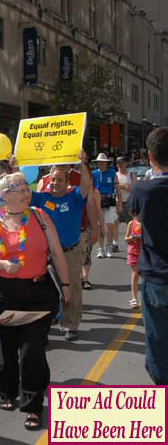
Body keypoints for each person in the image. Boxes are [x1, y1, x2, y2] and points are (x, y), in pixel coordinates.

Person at [0, 172, 70, 431]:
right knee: (6, 348)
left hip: (38, 293)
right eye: (18, 188)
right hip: (4, 295)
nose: (25, 192)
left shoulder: (40, 216)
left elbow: (57, 253)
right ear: (4, 195)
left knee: (32, 350)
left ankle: (33, 403)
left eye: (26, 188)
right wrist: (1, 264)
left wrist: (66, 286)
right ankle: (7, 391)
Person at [30, 150, 91, 341]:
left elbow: (87, 185)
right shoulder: (42, 198)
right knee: (46, 291)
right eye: (53, 180)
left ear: (67, 182)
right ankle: (46, 323)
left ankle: (70, 324)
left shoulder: (74, 197)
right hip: (46, 255)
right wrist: (14, 167)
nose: (55, 183)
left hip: (70, 252)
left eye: (60, 180)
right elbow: (22, 190)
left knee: (72, 288)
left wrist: (82, 163)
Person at [127, 127, 168, 385]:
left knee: (157, 338)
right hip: (155, 276)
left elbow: (134, 215)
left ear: (150, 156)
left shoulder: (143, 190)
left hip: (156, 277)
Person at [91, 153, 121, 258]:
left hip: (110, 199)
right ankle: (101, 249)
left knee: (109, 225)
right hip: (97, 201)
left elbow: (117, 189)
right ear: (97, 163)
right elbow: (90, 189)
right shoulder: (93, 174)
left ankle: (109, 248)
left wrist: (120, 203)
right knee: (99, 226)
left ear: (106, 163)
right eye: (99, 162)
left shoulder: (112, 173)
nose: (101, 164)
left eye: (103, 162)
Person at [124, 215, 141, 309]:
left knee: (146, 276)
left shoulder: (148, 223)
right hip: (133, 252)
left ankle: (148, 298)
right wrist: (132, 238)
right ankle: (134, 298)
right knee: (135, 274)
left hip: (145, 253)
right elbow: (126, 239)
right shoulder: (131, 223)